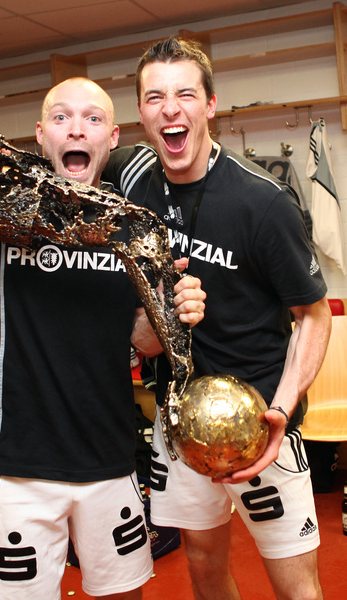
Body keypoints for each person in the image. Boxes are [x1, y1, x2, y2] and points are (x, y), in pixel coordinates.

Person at [0, 77, 205, 600]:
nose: (76, 129)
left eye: (92, 119)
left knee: (124, 594)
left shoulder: (127, 226)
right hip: (18, 465)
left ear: (111, 137)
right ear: (41, 134)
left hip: (110, 458)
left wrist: (174, 313)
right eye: (61, 117)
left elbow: (143, 341)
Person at [102, 38, 332, 600]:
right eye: (154, 97)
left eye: (185, 94)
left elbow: (314, 316)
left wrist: (280, 411)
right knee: (203, 563)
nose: (170, 109)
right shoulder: (132, 182)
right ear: (140, 114)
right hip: (180, 423)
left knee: (296, 584)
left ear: (210, 104)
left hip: (260, 421)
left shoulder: (263, 201)